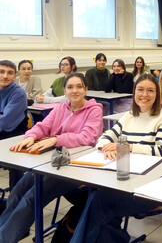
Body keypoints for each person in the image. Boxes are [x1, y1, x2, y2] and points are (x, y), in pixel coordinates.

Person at [70, 74, 162, 243]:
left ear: (157, 94)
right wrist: (106, 148)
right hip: (121, 181)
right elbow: (104, 137)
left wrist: (126, 148)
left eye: (150, 90)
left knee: (98, 201)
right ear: (134, 93)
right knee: (95, 201)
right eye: (140, 90)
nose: (145, 95)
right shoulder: (128, 116)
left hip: (149, 187)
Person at [0, 73, 103, 243]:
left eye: (79, 87)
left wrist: (56, 139)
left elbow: (88, 137)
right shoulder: (62, 107)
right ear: (65, 90)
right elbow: (43, 125)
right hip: (51, 161)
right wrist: (31, 136)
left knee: (31, 198)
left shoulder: (94, 110)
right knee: (17, 193)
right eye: (70, 87)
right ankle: (8, 232)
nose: (74, 91)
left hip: (75, 167)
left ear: (86, 89)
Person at [0, 60, 28, 190]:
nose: (5, 76)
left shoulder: (18, 93)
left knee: (15, 167)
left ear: (14, 76)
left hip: (14, 136)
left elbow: (4, 123)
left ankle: (15, 201)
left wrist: (2, 117)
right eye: (1, 72)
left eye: (9, 73)